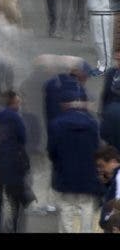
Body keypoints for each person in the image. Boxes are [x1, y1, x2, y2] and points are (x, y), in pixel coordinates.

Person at [47, 88, 102, 233]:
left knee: (66, 208)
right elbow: (97, 150)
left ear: (63, 104)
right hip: (88, 174)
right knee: (86, 206)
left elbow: (52, 152)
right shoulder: (92, 123)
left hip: (65, 174)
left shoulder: (56, 123)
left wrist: (58, 165)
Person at [0, 89, 32, 233]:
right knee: (14, 201)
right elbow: (23, 139)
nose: (19, 104)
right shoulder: (16, 118)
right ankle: (13, 228)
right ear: (13, 103)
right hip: (13, 166)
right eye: (18, 102)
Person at [76, 0, 119, 74]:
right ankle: (101, 63)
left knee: (102, 41)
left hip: (102, 13)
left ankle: (106, 67)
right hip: (97, 13)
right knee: (97, 40)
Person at [97, 144, 120, 231]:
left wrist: (106, 220)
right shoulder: (114, 176)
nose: (100, 169)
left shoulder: (118, 176)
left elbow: (117, 204)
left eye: (102, 165)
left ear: (113, 162)